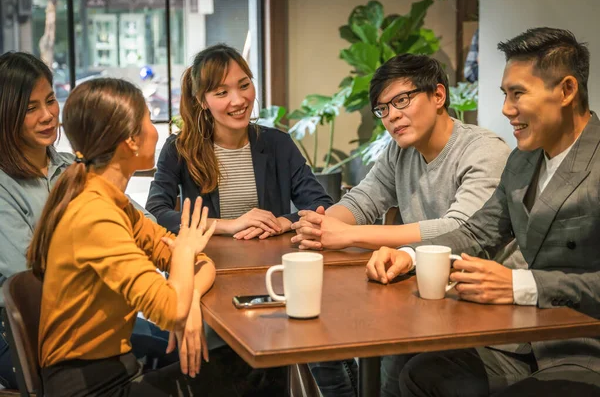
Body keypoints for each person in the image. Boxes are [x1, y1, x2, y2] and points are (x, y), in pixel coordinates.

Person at [367, 27, 600, 396]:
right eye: (505, 94)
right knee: (419, 373)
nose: (506, 109)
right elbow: (477, 231)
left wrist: (521, 285)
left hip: (583, 350)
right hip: (518, 339)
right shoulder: (523, 160)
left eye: (518, 94)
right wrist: (410, 255)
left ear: (567, 91)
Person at [291, 53, 515, 397]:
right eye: (383, 109)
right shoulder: (400, 152)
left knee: (389, 364)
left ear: (438, 96)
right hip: (422, 298)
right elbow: (362, 200)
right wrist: (323, 224)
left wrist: (348, 235)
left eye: (402, 100)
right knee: (338, 341)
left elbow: (458, 229)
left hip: (481, 311)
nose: (392, 116)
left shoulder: (483, 151)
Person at [28, 77, 219, 396]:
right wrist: (184, 252)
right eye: (148, 119)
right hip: (90, 385)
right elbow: (171, 309)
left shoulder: (111, 201)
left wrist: (192, 299)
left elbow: (201, 264)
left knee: (250, 371)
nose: (156, 129)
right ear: (131, 141)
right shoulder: (95, 214)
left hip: (117, 368)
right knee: (255, 375)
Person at [0, 52, 171, 390]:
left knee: (170, 338)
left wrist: (211, 232)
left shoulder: (72, 166)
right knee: (175, 348)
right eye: (31, 108)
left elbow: (141, 222)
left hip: (89, 318)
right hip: (25, 333)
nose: (49, 115)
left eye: (50, 100)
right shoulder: (5, 186)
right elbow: (31, 281)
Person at [146, 44, 333, 240]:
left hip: (270, 262)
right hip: (207, 261)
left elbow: (321, 205)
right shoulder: (180, 148)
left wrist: (282, 223)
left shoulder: (278, 143)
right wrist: (229, 225)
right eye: (221, 93)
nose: (238, 100)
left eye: (244, 85)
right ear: (202, 101)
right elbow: (156, 212)